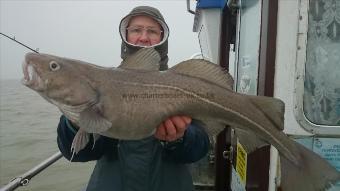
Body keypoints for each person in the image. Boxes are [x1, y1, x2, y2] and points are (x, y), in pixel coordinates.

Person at [57, 6, 210, 191]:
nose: (144, 37)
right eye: (136, 30)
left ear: (162, 38)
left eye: (152, 31)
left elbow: (200, 148)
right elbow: (75, 154)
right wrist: (76, 123)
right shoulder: (100, 84)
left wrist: (180, 138)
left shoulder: (183, 85)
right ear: (126, 36)